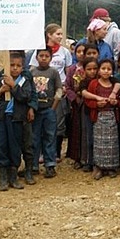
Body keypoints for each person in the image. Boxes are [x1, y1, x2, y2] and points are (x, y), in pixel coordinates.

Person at [0, 52, 34, 191]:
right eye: (12, 65)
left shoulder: (24, 81)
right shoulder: (1, 80)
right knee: (0, 145)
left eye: (18, 66)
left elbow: (25, 97)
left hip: (17, 119)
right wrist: (1, 90)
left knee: (15, 147)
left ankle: (13, 177)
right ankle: (2, 177)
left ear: (22, 67)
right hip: (1, 118)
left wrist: (14, 87)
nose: (15, 68)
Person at [29, 24, 72, 162]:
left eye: (61, 34)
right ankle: (40, 154)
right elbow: (32, 72)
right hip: (40, 94)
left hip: (58, 92)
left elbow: (68, 71)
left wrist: (65, 87)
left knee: (57, 123)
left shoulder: (65, 52)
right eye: (58, 34)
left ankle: (55, 153)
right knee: (38, 126)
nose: (60, 37)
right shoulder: (39, 50)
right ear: (49, 35)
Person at [84, 59, 120, 179]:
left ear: (112, 71)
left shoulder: (114, 84)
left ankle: (111, 167)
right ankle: (99, 167)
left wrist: (116, 102)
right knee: (98, 143)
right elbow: (88, 101)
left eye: (109, 69)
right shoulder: (94, 84)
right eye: (103, 68)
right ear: (99, 70)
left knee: (112, 143)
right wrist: (96, 105)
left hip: (112, 117)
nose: (106, 71)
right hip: (99, 117)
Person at [31, 47, 63, 179]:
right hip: (35, 111)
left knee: (49, 137)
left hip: (49, 110)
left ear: (51, 58)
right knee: (34, 138)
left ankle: (50, 165)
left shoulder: (54, 72)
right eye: (41, 56)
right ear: (37, 57)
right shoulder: (31, 72)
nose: (43, 58)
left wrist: (53, 107)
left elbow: (59, 89)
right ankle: (33, 166)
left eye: (46, 56)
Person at [65, 43, 86, 169]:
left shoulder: (92, 67)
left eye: (84, 51)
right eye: (78, 51)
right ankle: (77, 157)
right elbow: (67, 86)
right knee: (76, 130)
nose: (81, 54)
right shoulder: (72, 69)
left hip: (89, 102)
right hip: (76, 105)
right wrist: (75, 98)